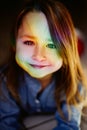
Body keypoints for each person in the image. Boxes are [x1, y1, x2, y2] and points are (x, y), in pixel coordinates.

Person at [0, 0, 87, 130]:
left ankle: (77, 41)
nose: (39, 55)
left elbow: (69, 126)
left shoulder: (74, 83)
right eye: (29, 42)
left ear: (67, 49)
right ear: (14, 44)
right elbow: (6, 124)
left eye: (52, 45)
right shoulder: (5, 81)